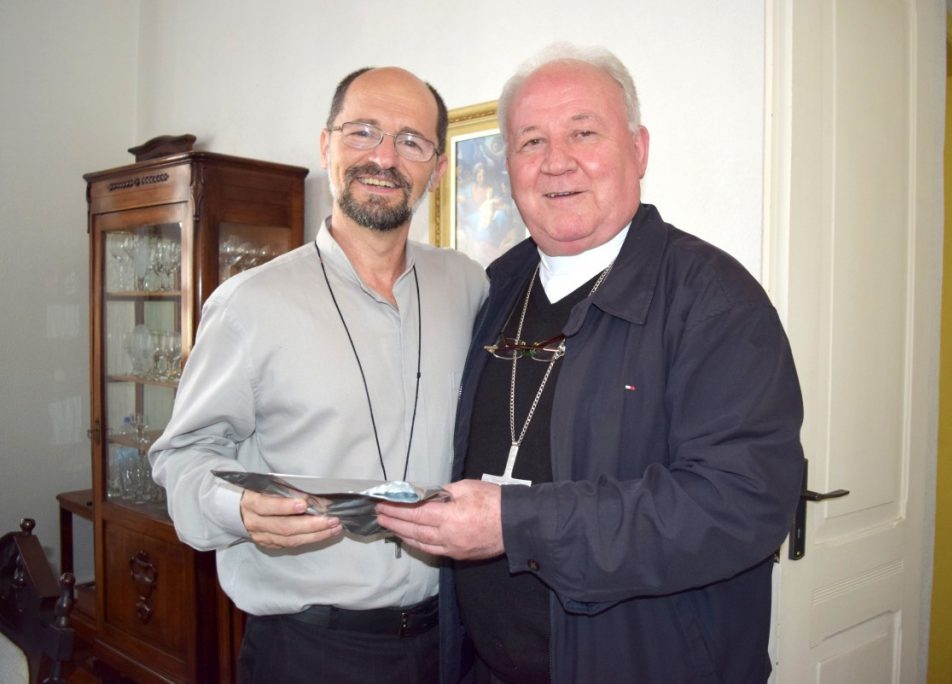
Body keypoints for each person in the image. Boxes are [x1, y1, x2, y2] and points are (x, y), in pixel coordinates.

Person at [376, 44, 805, 683]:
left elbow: (741, 503)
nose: (556, 161)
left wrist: (514, 523)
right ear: (510, 166)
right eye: (531, 141)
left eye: (583, 132)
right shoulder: (498, 288)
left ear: (638, 149)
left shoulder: (713, 299)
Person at [149, 66, 488, 683]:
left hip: (450, 642)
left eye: (411, 141)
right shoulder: (249, 304)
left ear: (436, 170)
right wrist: (237, 507)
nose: (383, 157)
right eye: (363, 132)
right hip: (310, 651)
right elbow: (182, 456)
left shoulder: (468, 285)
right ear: (326, 145)